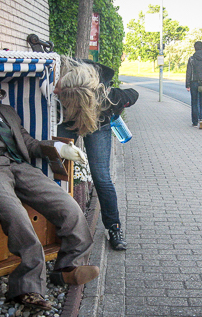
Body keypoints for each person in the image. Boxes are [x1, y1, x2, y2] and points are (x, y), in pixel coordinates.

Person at [0, 78, 99, 311]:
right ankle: (27, 287)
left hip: (20, 166)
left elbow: (28, 143)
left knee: (65, 203)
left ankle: (69, 267)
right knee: (17, 215)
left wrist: (60, 149)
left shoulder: (7, 112)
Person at [54, 56, 139, 251]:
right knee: (55, 167)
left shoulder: (107, 97)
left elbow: (133, 95)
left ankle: (114, 227)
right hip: (66, 120)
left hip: (96, 123)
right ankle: (54, 223)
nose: (55, 91)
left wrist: (117, 105)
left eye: (59, 91)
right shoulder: (61, 69)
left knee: (101, 176)